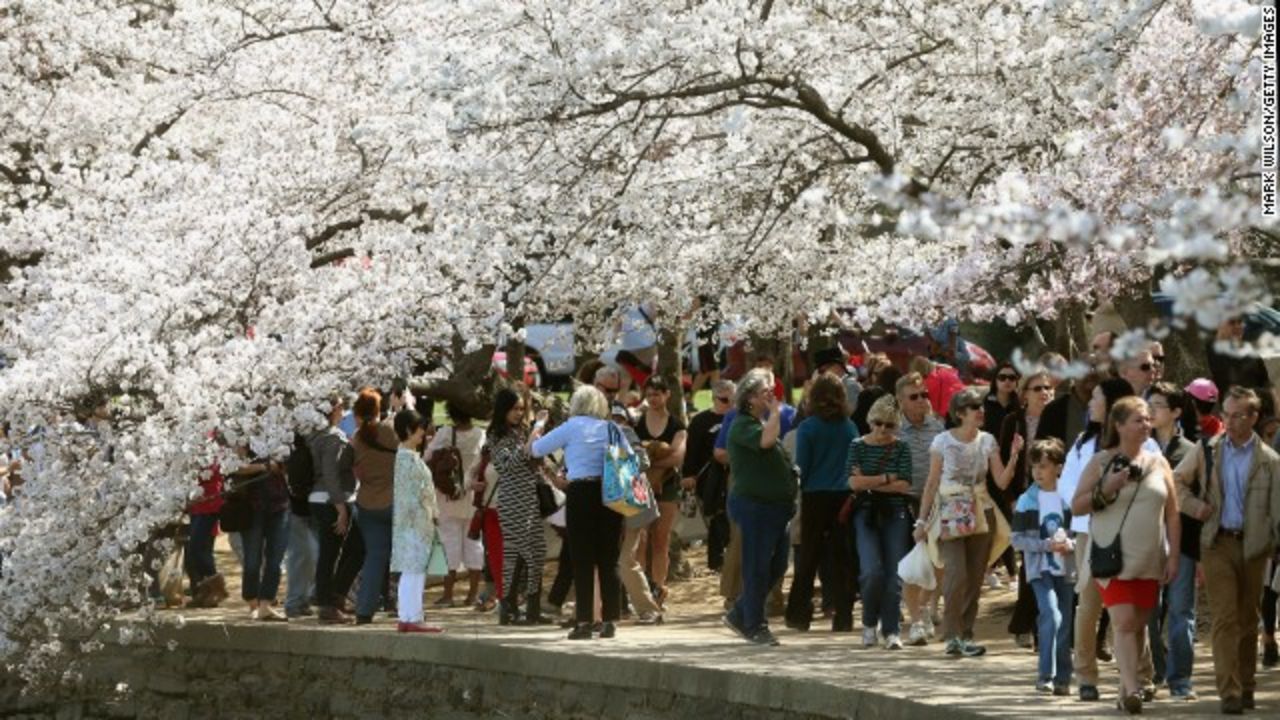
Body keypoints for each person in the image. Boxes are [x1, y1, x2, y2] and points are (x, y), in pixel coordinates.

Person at [1069, 397, 1180, 716]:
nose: (1146, 424)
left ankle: (1124, 690)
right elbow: (1077, 506)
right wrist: (1109, 486)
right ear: (1118, 425)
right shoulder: (1100, 461)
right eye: (1138, 420)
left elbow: (1172, 514)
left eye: (1147, 419)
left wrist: (1172, 558)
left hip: (1149, 559)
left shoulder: (1159, 463)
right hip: (1111, 558)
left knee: (1140, 623)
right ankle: (1132, 688)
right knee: (1125, 621)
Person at [1175, 386, 1280, 715]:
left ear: (1253, 417)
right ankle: (1230, 691)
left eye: (1238, 416)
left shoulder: (1270, 460)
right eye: (1227, 415)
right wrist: (1196, 507)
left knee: (1249, 619)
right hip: (1216, 542)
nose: (1230, 422)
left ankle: (1247, 685)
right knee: (1226, 617)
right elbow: (1175, 482)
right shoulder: (1208, 450)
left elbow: (1277, 508)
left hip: (1254, 546)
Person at [914, 387, 1022, 657]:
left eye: (981, 406)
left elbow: (1001, 481)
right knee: (956, 574)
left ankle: (966, 635)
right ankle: (952, 636)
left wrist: (1015, 455)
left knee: (974, 579)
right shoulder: (942, 441)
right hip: (950, 512)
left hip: (982, 512)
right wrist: (921, 521)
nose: (981, 411)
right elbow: (931, 483)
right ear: (960, 413)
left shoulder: (987, 440)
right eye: (974, 407)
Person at [532, 385, 625, 640]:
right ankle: (610, 620)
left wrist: (538, 425)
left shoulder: (572, 426)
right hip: (610, 492)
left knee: (582, 558)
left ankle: (584, 620)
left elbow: (536, 449)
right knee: (609, 558)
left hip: (581, 492)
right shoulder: (611, 427)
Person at [722, 368, 796, 647]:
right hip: (755, 508)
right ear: (750, 398)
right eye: (765, 390)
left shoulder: (758, 424)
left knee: (776, 565)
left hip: (775, 509)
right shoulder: (742, 425)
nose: (771, 394)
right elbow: (765, 442)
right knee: (757, 567)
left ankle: (741, 612)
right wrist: (775, 412)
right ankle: (755, 625)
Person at [784, 373, 858, 633]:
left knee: (809, 555)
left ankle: (798, 613)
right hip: (843, 496)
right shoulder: (849, 426)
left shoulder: (808, 428)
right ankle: (844, 616)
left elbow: (801, 465)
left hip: (815, 495)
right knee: (842, 557)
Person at [999, 371, 1061, 647]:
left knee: (1048, 562)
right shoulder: (1014, 422)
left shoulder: (1056, 418)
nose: (1044, 392)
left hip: (1051, 495)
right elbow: (1003, 461)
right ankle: (1027, 624)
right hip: (1024, 497)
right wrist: (1012, 498)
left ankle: (1033, 624)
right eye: (1037, 388)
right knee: (1030, 562)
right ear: (1025, 393)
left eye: (1048, 387)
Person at [847, 395, 913, 648]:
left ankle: (892, 629)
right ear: (869, 420)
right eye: (877, 423)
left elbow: (905, 485)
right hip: (865, 513)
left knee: (894, 574)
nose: (882, 430)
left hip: (896, 513)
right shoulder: (857, 445)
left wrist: (870, 481)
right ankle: (868, 623)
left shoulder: (901, 447)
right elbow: (853, 483)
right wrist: (887, 478)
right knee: (871, 571)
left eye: (889, 425)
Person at [1145, 382, 1197, 700]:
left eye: (1158, 405)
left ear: (1176, 412)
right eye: (1148, 404)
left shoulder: (1192, 452)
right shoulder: (1137, 450)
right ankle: (1155, 672)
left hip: (1184, 545)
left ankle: (1180, 681)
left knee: (1181, 612)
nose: (1150, 411)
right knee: (1148, 613)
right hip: (1146, 543)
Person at [1011, 438, 1074, 696]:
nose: (1038, 471)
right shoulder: (1027, 500)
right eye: (1034, 466)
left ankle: (1063, 678)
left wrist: (1070, 543)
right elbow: (1017, 539)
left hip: (1067, 570)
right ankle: (1045, 675)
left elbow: (1082, 533)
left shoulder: (1068, 497)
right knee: (1051, 614)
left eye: (1044, 466)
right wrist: (1045, 545)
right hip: (1040, 570)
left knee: (1066, 622)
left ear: (1058, 468)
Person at [485, 388, 552, 626]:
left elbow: (535, 456)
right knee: (518, 554)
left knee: (537, 552)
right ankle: (509, 607)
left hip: (530, 499)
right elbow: (508, 465)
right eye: (514, 409)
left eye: (521, 409)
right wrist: (536, 430)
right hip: (512, 501)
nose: (518, 413)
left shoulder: (522, 431)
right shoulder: (495, 435)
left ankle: (531, 607)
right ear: (503, 409)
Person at [897, 372, 946, 645]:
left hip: (937, 503)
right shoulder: (894, 430)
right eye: (914, 397)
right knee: (912, 564)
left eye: (924, 395)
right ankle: (916, 620)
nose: (921, 401)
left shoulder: (938, 428)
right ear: (901, 401)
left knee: (939, 562)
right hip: (905, 502)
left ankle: (926, 607)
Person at [633, 375, 687, 607]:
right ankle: (640, 588)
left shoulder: (677, 425)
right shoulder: (637, 422)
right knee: (640, 538)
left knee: (660, 538)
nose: (653, 398)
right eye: (649, 394)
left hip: (668, 485)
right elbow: (630, 455)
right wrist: (655, 459)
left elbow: (677, 457)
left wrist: (650, 460)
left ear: (667, 395)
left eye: (657, 393)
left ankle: (658, 586)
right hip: (640, 484)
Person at [427, 403, 486, 608]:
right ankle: (472, 594)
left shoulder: (445, 433)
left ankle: (448, 595)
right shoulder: (481, 434)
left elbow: (427, 457)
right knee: (474, 544)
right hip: (473, 496)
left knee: (448, 544)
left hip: (449, 498)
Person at [308, 394, 361, 625]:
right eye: (340, 407)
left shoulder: (314, 436)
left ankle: (330, 599)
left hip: (318, 498)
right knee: (330, 554)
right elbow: (331, 475)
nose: (343, 410)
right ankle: (327, 605)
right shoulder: (332, 438)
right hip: (330, 500)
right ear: (334, 410)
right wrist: (340, 508)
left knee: (330, 553)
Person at [390, 409, 443, 633]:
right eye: (420, 429)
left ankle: (408, 614)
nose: (423, 433)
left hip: (411, 522)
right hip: (416, 522)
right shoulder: (408, 459)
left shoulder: (406, 456)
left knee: (412, 569)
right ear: (410, 430)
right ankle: (411, 616)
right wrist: (430, 514)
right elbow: (417, 494)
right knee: (414, 569)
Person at [349, 388, 399, 624]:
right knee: (404, 557)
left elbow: (354, 471)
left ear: (357, 414)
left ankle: (364, 609)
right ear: (379, 410)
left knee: (375, 557)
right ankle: (404, 605)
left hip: (368, 503)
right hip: (395, 500)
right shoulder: (391, 432)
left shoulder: (356, 439)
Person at [682, 380, 735, 571]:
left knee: (729, 515)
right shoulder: (700, 421)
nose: (729, 404)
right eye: (724, 400)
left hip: (734, 474)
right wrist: (688, 474)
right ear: (713, 398)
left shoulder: (739, 419)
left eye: (733, 399)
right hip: (708, 477)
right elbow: (692, 451)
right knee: (715, 515)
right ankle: (717, 560)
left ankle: (726, 557)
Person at [231, 449, 290, 622]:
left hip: (280, 505)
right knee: (252, 560)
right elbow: (235, 467)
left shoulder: (283, 435)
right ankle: (253, 603)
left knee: (275, 560)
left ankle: (266, 604)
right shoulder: (242, 436)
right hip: (251, 507)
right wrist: (264, 467)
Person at [184, 463, 228, 608]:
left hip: (210, 502)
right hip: (195, 505)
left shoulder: (212, 445)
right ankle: (204, 590)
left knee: (197, 548)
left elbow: (214, 470)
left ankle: (217, 588)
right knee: (195, 551)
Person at [982, 362, 1020, 438]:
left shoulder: (1020, 405)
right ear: (995, 381)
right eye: (1002, 377)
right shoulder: (983, 403)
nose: (1007, 381)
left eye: (1012, 378)